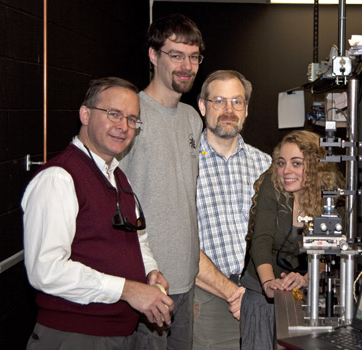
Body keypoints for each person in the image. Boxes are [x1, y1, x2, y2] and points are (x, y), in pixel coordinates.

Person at [118, 15, 242, 350]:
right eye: (175, 55)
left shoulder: (191, 119)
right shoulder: (130, 115)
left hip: (187, 284)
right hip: (149, 285)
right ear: (153, 55)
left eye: (193, 56)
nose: (186, 66)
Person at [22, 77, 174, 350]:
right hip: (74, 336)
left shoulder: (118, 177)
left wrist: (150, 272)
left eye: (131, 119)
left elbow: (137, 238)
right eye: (114, 114)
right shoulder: (59, 178)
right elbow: (45, 270)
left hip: (118, 335)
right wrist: (128, 289)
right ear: (85, 114)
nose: (123, 126)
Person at [240, 130, 345, 349]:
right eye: (281, 163)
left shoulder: (329, 196)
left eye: (296, 164)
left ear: (316, 167)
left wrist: (308, 278)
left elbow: (329, 250)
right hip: (262, 287)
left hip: (308, 290)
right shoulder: (273, 185)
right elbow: (261, 240)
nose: (285, 171)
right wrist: (268, 283)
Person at [194, 70, 271, 349]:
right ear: (202, 106)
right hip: (208, 300)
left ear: (246, 109)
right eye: (219, 101)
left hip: (260, 293)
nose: (229, 110)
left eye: (237, 102)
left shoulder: (266, 165)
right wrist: (231, 292)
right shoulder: (184, 164)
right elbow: (177, 242)